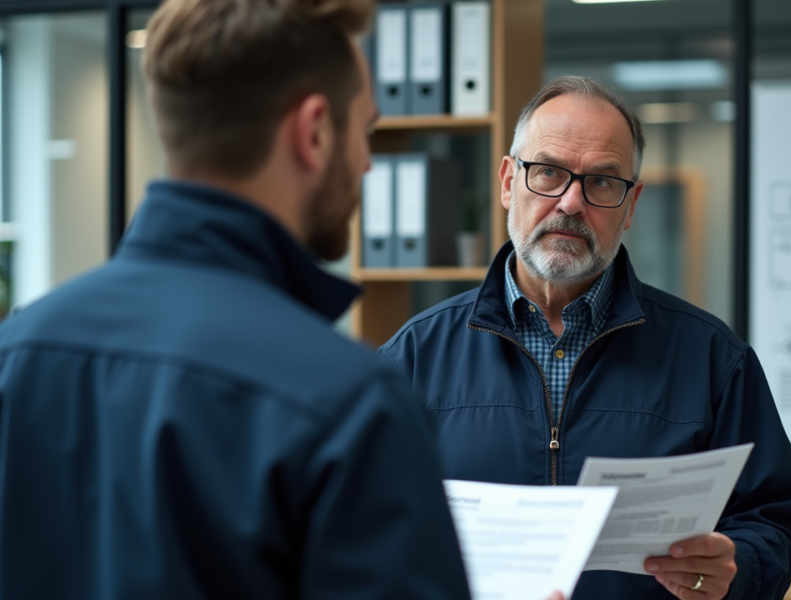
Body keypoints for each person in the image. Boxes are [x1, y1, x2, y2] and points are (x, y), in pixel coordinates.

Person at [0, 1, 473, 598]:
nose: (367, 163)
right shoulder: (350, 403)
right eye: (365, 131)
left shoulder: (14, 356)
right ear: (314, 131)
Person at [380, 76, 791, 600]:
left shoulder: (713, 360)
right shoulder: (413, 359)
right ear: (508, 182)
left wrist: (735, 570)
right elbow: (364, 529)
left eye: (602, 182)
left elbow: (774, 519)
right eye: (548, 172)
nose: (570, 202)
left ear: (631, 206)